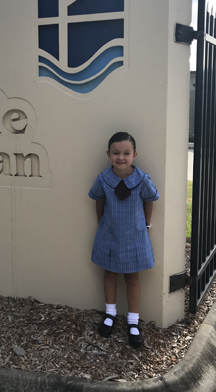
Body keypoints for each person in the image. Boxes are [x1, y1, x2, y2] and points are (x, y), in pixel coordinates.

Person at [89, 132, 158, 348]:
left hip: (135, 237)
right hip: (109, 236)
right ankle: (110, 314)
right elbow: (98, 200)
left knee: (132, 278)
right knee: (109, 273)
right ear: (108, 154)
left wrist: (146, 225)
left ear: (134, 154)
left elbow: (150, 200)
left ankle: (133, 322)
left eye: (126, 153)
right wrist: (102, 224)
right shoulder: (103, 179)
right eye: (116, 153)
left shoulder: (142, 180)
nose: (121, 157)